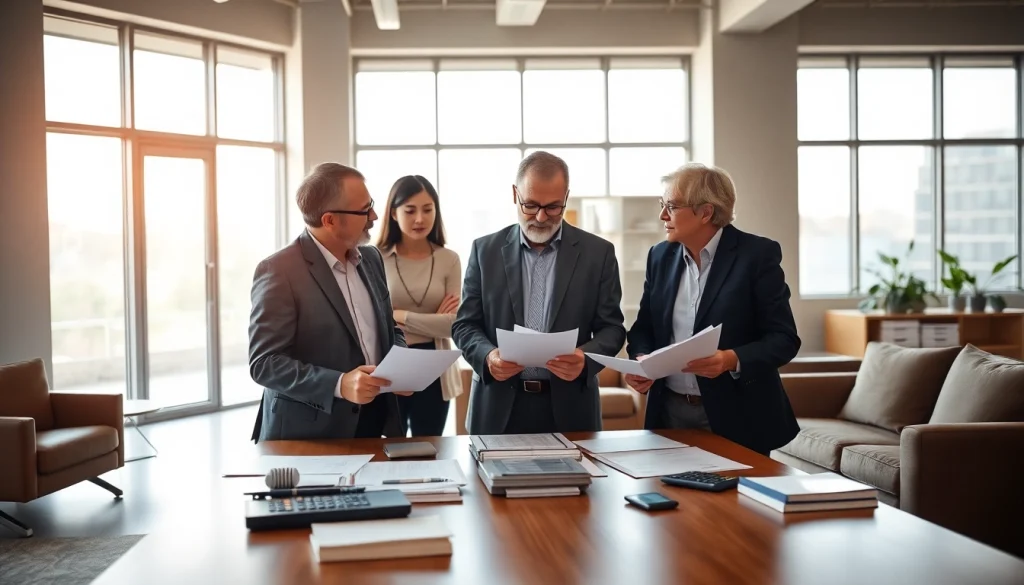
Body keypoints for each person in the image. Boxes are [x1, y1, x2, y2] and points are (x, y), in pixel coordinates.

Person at [624, 162, 801, 456]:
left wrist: (731, 359)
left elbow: (784, 339)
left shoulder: (756, 256)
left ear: (706, 212)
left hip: (738, 415)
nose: (662, 215)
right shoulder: (659, 256)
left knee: (734, 502)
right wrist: (641, 360)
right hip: (669, 411)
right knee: (671, 499)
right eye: (662, 204)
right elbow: (645, 328)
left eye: (671, 206)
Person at [452, 151, 626, 435]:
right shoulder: (485, 251)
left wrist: (585, 359)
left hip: (571, 410)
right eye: (530, 205)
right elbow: (464, 325)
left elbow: (613, 329)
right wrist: (488, 357)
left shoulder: (599, 253)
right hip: (498, 408)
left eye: (554, 207)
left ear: (566, 197)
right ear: (514, 194)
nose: (541, 217)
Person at [248, 162, 411, 442]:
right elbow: (264, 363)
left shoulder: (371, 259)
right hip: (310, 434)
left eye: (370, 204)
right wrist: (339, 384)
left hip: (376, 425)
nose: (374, 215)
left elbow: (389, 328)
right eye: (364, 210)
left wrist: (400, 365)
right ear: (329, 220)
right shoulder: (278, 270)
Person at [375, 175, 463, 437]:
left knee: (430, 448)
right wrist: (431, 321)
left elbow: (453, 325)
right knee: (389, 448)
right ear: (393, 213)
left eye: (428, 209)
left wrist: (398, 315)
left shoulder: (449, 259)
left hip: (435, 366)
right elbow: (372, 321)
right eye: (410, 210)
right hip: (390, 363)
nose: (420, 219)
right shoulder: (374, 257)